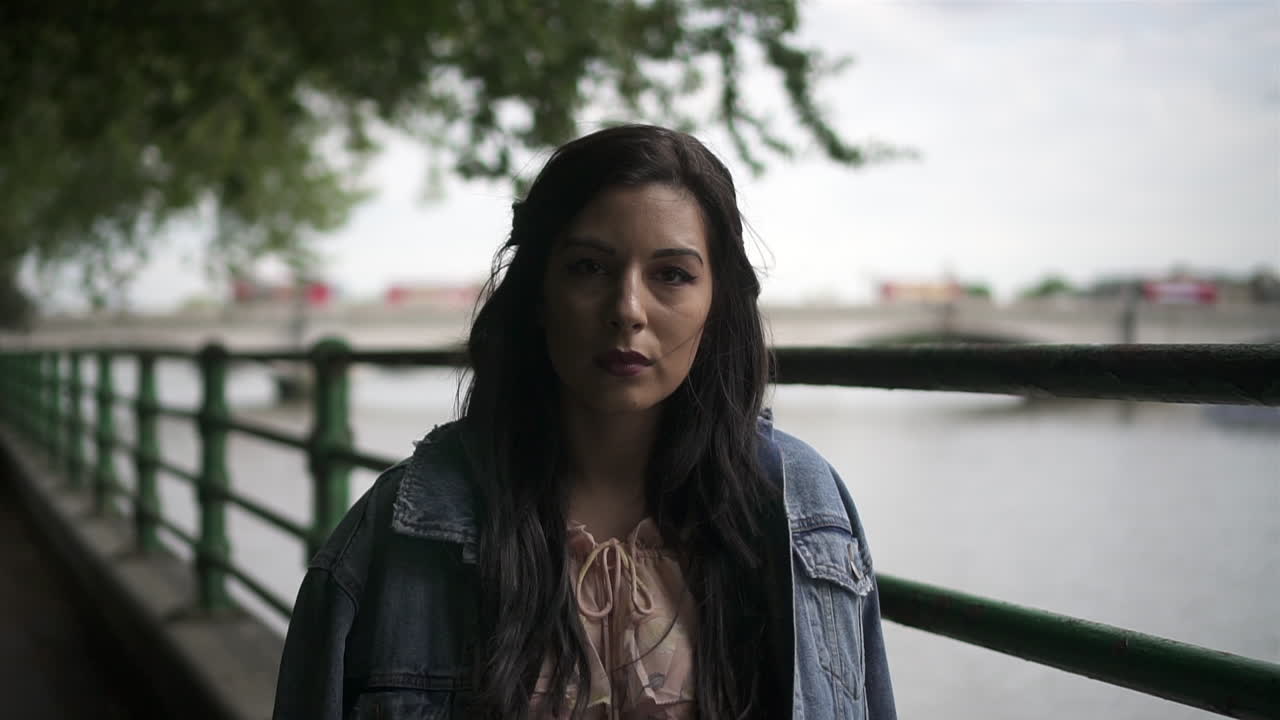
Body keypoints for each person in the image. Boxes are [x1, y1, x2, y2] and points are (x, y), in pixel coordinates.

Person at [272, 124, 896, 719]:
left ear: (717, 306)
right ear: (539, 294)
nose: (627, 310)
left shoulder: (803, 508)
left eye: (671, 275)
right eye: (589, 268)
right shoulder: (403, 529)